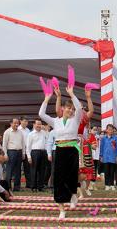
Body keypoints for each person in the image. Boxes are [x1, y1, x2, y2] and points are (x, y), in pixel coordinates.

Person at [39, 85, 83, 219]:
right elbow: (41, 114)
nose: (70, 110)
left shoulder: (75, 119)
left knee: (71, 175)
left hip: (72, 150)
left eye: (72, 108)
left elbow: (80, 108)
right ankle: (62, 209)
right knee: (58, 178)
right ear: (62, 109)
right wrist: (47, 99)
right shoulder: (55, 122)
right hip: (59, 150)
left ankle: (73, 194)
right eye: (68, 108)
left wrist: (71, 93)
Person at [3, 118, 25, 192]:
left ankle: (17, 187)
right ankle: (8, 187)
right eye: (14, 123)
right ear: (11, 123)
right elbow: (4, 145)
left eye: (17, 123)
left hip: (19, 152)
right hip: (11, 152)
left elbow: (23, 143)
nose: (16, 124)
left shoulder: (20, 132)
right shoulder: (7, 132)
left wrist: (23, 153)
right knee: (9, 170)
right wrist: (5, 154)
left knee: (18, 170)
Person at [26, 119, 47, 192]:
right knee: (33, 170)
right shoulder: (30, 134)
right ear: (34, 125)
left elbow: (47, 141)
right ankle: (33, 187)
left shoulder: (44, 133)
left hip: (43, 152)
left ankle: (40, 186)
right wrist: (29, 157)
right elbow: (28, 147)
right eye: (37, 124)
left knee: (42, 170)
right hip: (34, 153)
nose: (39, 126)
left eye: (40, 124)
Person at [100, 124, 117, 191]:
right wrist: (101, 156)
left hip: (113, 157)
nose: (110, 131)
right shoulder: (103, 138)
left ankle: (112, 185)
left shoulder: (115, 138)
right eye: (109, 129)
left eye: (111, 130)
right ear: (106, 130)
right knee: (106, 172)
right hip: (105, 158)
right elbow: (101, 147)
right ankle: (107, 185)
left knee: (112, 172)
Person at [18, 117, 32, 189]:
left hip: (27, 151)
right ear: (20, 121)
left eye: (27, 121)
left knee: (27, 168)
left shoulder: (28, 130)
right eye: (24, 121)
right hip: (19, 150)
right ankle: (18, 185)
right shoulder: (18, 129)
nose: (25, 123)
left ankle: (28, 184)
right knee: (18, 169)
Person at [89, 126, 100, 191]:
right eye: (94, 129)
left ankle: (93, 184)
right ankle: (90, 185)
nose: (95, 131)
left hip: (96, 156)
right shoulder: (89, 136)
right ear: (91, 130)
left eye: (96, 130)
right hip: (91, 156)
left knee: (95, 170)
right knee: (91, 170)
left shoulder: (98, 137)